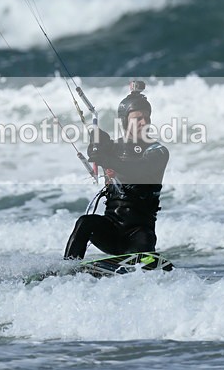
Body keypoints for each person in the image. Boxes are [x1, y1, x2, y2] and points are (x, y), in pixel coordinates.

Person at [64, 82, 169, 259]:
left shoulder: (158, 151)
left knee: (144, 240)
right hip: (111, 229)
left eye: (146, 118)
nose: (144, 122)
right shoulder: (112, 148)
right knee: (85, 222)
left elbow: (136, 170)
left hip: (139, 233)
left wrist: (105, 158)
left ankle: (142, 266)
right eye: (137, 119)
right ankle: (67, 269)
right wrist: (96, 145)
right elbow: (99, 151)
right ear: (125, 121)